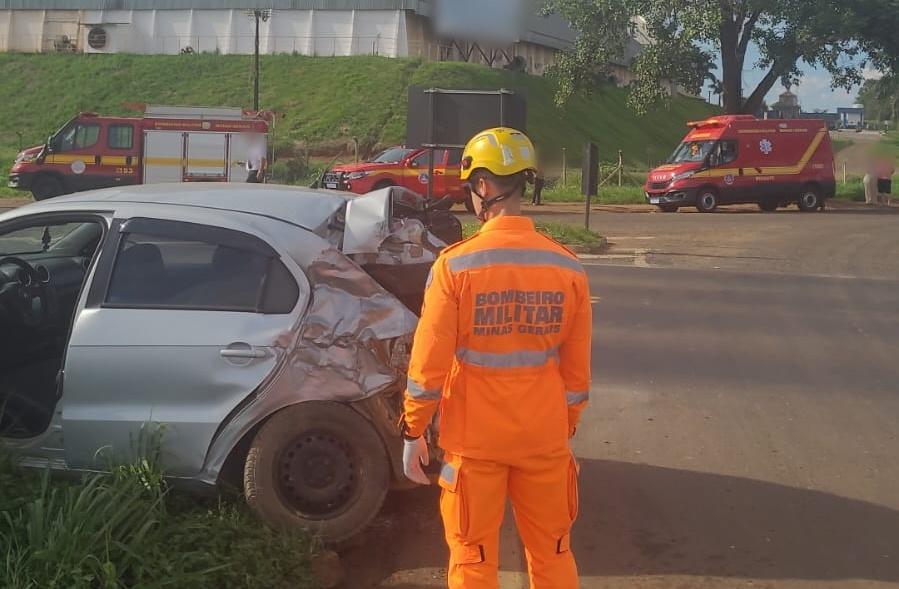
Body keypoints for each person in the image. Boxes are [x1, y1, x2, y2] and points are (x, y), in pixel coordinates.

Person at [401, 127, 592, 589]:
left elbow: (429, 363)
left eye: (471, 187)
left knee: (472, 556)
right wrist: (562, 423)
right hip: (543, 439)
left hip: (475, 443)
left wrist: (413, 429)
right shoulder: (568, 268)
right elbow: (576, 372)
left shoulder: (456, 266)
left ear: (483, 186)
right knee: (553, 552)